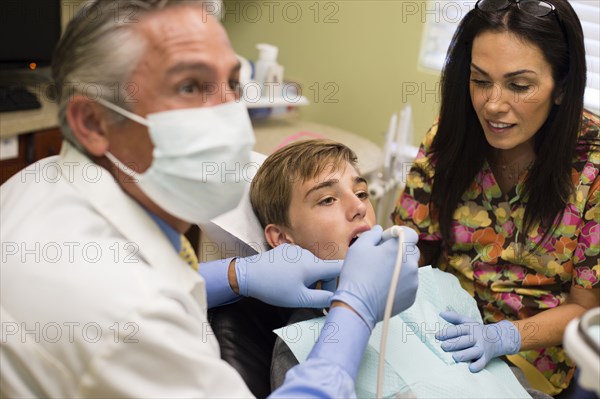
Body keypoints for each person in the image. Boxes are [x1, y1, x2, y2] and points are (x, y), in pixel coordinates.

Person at [0, 1, 420, 397]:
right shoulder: (125, 313)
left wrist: (236, 276)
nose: (228, 115)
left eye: (233, 84)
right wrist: (356, 308)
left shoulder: (44, 178)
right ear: (92, 121)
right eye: (189, 86)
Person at [391, 0, 599, 396]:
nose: (493, 104)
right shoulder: (450, 136)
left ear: (563, 88)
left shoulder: (594, 167)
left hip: (530, 355)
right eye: (480, 80)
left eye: (519, 85)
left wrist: (503, 337)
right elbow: (413, 242)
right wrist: (381, 268)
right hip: (436, 324)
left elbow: (585, 307)